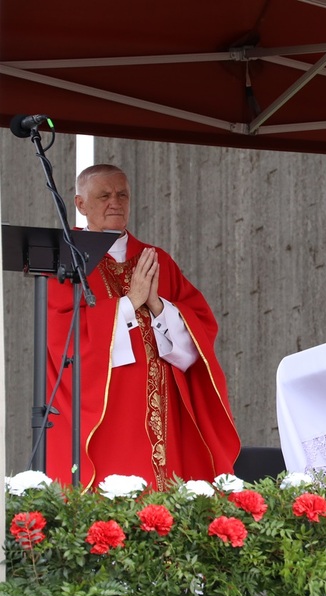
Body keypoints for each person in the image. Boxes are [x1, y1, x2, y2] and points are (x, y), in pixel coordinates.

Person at [44, 164, 241, 489]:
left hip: (164, 404)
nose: (115, 203)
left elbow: (201, 331)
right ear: (80, 204)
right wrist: (128, 303)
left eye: (122, 195)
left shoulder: (156, 260)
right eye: (104, 195)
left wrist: (158, 306)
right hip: (108, 410)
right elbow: (61, 333)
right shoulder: (67, 261)